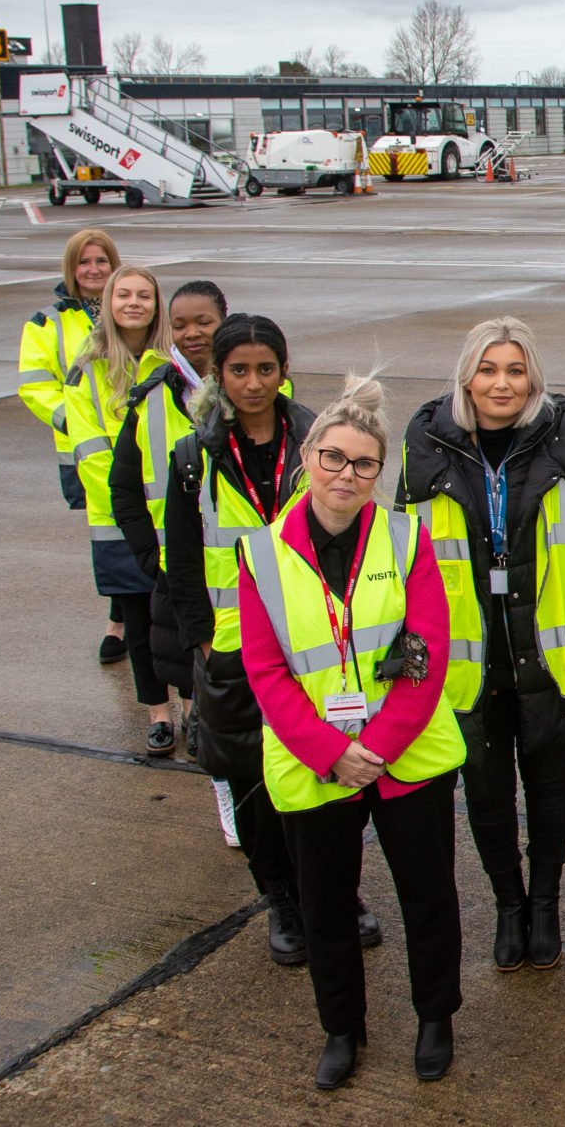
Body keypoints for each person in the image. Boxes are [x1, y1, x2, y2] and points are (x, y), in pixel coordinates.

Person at [238, 375, 464, 1091]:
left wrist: (380, 747)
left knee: (428, 896)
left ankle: (436, 1015)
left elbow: (426, 654)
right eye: (334, 458)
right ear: (309, 456)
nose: (347, 474)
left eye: (364, 463)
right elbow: (267, 670)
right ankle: (342, 1028)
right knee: (326, 906)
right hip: (317, 762)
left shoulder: (406, 538)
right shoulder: (262, 555)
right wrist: (335, 752)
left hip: (406, 754)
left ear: (379, 470)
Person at [399, 316, 565, 973]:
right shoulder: (428, 441)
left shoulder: (564, 434)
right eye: (489, 368)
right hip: (468, 654)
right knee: (487, 788)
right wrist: (412, 664)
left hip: (548, 646)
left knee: (550, 780)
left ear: (534, 377)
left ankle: (546, 902)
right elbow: (405, 561)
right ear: (468, 374)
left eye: (515, 369)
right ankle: (508, 903)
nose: (502, 383)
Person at [163, 314, 382, 967]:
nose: (253, 382)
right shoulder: (193, 456)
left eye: (266, 368)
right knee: (255, 787)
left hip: (310, 644)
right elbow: (181, 558)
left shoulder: (318, 439)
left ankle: (335, 893)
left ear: (284, 369)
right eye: (239, 369)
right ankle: (283, 900)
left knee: (326, 778)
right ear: (218, 374)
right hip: (233, 650)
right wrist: (202, 642)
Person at [112, 280, 226, 763]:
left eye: (205, 322)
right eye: (179, 324)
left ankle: (208, 722)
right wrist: (146, 551)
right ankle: (184, 719)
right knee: (177, 650)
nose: (192, 333)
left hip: (239, 562)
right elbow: (124, 485)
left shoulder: (261, 387)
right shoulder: (151, 398)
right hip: (174, 560)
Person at [64, 266, 175, 752]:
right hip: (118, 518)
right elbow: (90, 451)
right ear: (108, 301)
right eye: (124, 294)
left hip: (173, 515)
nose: (134, 303)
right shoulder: (86, 369)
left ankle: (192, 707)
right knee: (137, 624)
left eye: (144, 295)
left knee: (178, 617)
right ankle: (158, 712)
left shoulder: (172, 363)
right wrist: (130, 508)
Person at [17, 227, 119, 661]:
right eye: (85, 262)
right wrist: (79, 423)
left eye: (102, 261)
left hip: (141, 445)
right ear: (71, 268)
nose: (93, 270)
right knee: (109, 533)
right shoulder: (48, 322)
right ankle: (119, 622)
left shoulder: (132, 308)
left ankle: (130, 617)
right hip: (88, 448)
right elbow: (36, 387)